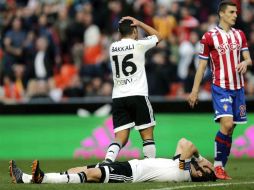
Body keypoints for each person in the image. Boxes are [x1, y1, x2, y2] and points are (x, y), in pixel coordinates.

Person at [187, 0, 252, 180]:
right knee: (227, 124)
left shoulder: (240, 35)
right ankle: (217, 166)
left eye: (236, 12)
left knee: (230, 130)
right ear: (222, 14)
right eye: (231, 12)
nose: (235, 15)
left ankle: (221, 166)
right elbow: (201, 66)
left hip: (238, 89)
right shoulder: (209, 36)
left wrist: (245, 62)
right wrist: (194, 91)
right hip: (221, 87)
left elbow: (248, 58)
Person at [9, 138, 217, 184]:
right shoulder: (182, 165)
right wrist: (201, 160)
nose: (206, 165)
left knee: (91, 174)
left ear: (200, 173)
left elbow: (188, 146)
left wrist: (199, 159)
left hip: (131, 174)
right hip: (130, 165)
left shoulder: (183, 170)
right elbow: (183, 142)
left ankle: (42, 178)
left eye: (206, 168)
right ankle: (26, 178)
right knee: (77, 169)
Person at [102, 16, 162, 164]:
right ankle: (150, 166)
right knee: (147, 135)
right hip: (138, 95)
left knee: (120, 137)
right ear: (135, 30)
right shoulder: (139, 45)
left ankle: (107, 161)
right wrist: (140, 23)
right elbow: (159, 36)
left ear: (119, 32)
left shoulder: (112, 47)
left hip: (118, 97)